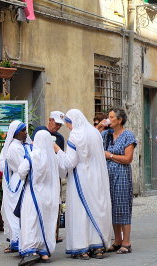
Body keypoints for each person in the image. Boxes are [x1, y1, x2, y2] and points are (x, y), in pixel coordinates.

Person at [54, 109, 112, 260]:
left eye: (68, 123)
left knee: (80, 213)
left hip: (80, 179)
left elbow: (70, 162)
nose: (68, 127)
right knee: (96, 209)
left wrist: (58, 150)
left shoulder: (75, 135)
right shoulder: (95, 133)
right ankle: (98, 246)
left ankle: (82, 248)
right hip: (96, 178)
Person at [17, 130, 63, 265]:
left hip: (33, 193)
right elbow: (61, 172)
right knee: (47, 222)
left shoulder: (33, 155)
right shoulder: (53, 157)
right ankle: (44, 253)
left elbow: (21, 171)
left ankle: (31, 250)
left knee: (31, 221)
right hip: (49, 196)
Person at [99, 107, 137, 255]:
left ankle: (126, 242)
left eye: (111, 117)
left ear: (119, 120)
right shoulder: (107, 134)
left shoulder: (128, 135)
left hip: (122, 175)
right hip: (108, 175)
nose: (109, 119)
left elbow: (128, 159)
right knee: (112, 206)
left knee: (123, 207)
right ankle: (117, 241)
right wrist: (101, 125)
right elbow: (91, 136)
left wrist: (110, 156)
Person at [0, 120, 32, 253]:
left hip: (20, 179)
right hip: (18, 180)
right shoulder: (14, 147)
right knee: (16, 211)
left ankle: (19, 239)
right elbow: (21, 166)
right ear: (16, 133)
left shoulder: (21, 145)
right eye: (23, 131)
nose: (25, 133)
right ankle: (17, 240)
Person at [32, 110, 65, 243]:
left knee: (55, 204)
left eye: (59, 125)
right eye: (56, 123)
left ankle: (55, 234)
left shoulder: (60, 138)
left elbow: (60, 156)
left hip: (55, 174)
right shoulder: (39, 131)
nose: (57, 127)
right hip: (41, 173)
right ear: (50, 120)